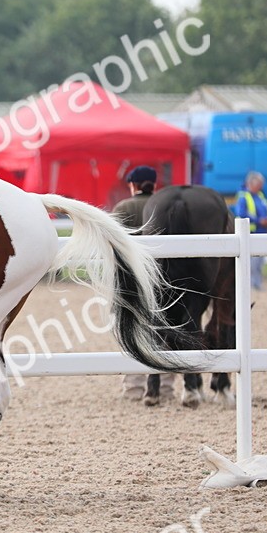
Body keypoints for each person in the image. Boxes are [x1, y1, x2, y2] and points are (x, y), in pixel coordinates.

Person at [112, 166, 177, 401]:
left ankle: (134, 388)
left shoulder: (124, 208)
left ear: (133, 185)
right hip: (166, 279)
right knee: (166, 333)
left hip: (133, 280)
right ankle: (167, 388)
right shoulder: (167, 207)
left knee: (134, 332)